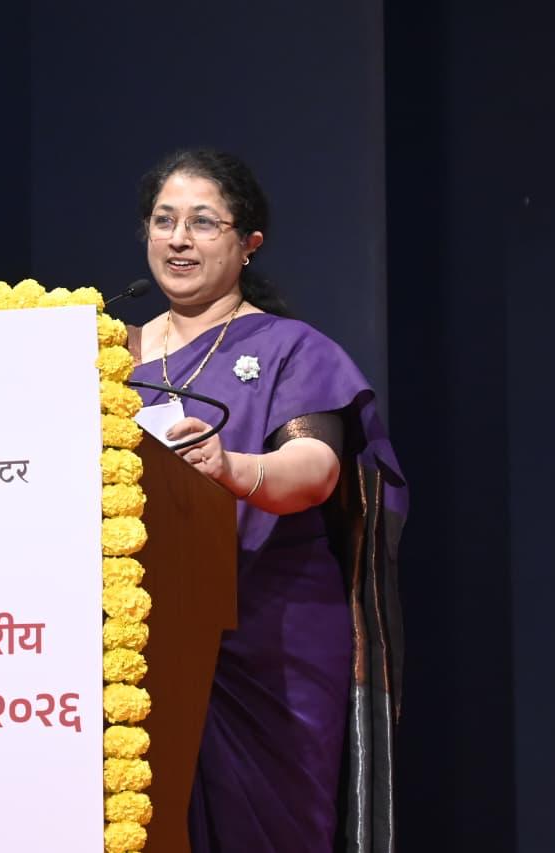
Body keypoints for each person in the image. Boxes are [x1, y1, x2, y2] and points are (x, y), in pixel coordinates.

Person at [126, 149, 407, 853]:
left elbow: (314, 467)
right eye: (163, 221)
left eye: (203, 222)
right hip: (139, 637)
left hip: (270, 638)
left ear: (249, 242)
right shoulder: (109, 355)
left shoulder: (291, 349)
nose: (178, 239)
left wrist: (232, 466)